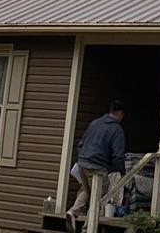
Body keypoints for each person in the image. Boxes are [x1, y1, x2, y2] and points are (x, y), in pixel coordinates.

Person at [65, 100, 126, 233]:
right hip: (97, 167)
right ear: (120, 114)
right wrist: (122, 173)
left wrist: (82, 159)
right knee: (98, 197)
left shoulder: (94, 123)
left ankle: (72, 212)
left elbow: (80, 144)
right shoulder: (116, 129)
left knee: (86, 191)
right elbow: (118, 156)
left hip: (82, 164)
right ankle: (87, 229)